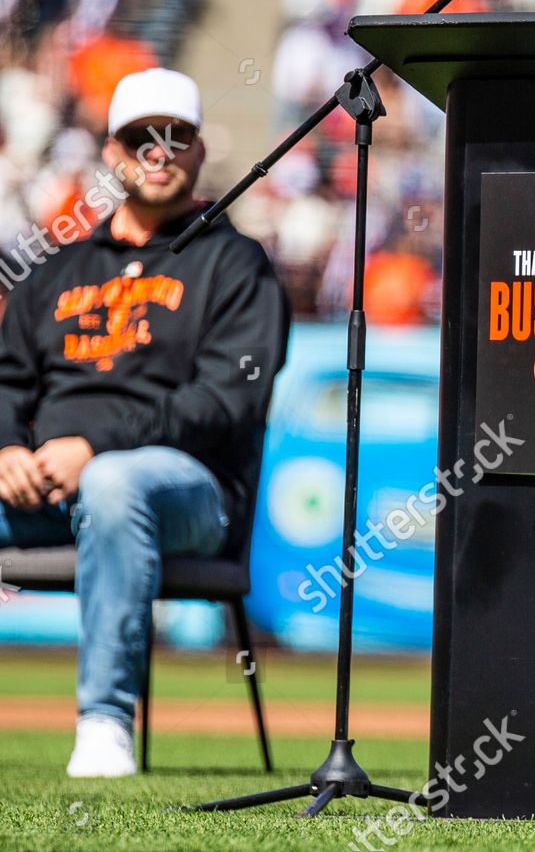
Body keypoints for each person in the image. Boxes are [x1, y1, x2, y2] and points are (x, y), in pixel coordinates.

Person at [0, 67, 289, 778]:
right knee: (96, 481)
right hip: (42, 488)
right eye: (141, 138)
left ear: (198, 151)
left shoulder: (235, 264)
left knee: (114, 483)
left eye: (176, 137)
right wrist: (7, 444)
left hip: (188, 494)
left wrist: (96, 446)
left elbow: (230, 401)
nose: (159, 152)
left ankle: (104, 722)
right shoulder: (55, 270)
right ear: (112, 153)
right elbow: (7, 380)